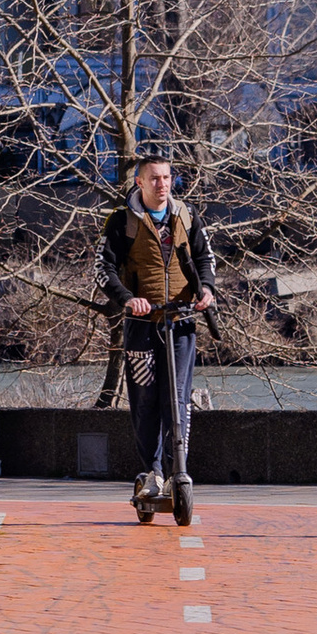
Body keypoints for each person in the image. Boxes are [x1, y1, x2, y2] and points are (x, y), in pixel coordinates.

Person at [101, 152, 217, 524]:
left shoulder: (187, 216)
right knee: (146, 400)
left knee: (179, 401)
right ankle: (151, 472)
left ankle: (175, 470)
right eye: (154, 178)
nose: (162, 184)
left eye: (167, 178)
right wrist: (127, 299)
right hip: (142, 323)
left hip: (180, 323)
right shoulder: (122, 222)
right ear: (139, 182)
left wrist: (207, 290)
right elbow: (102, 268)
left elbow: (205, 259)